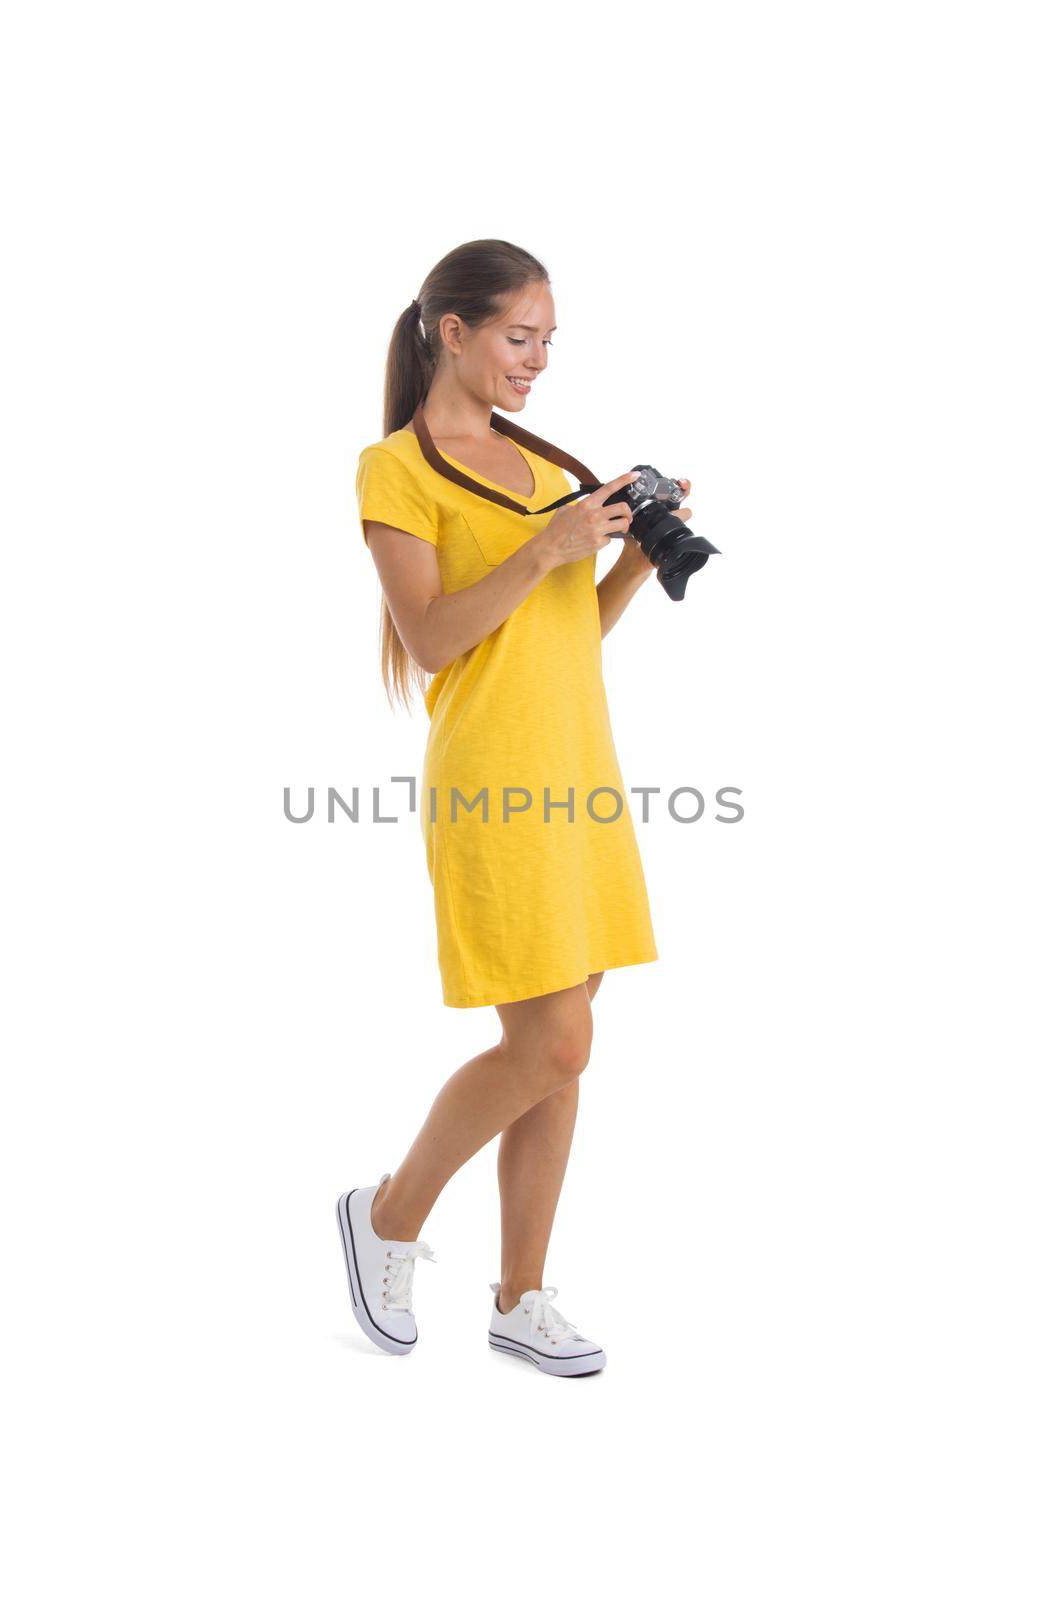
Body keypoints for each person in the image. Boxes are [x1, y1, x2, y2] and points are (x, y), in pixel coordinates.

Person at [338, 239, 693, 1377]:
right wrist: (547, 547)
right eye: (517, 337)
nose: (535, 362)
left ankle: (519, 1296)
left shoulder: (540, 461)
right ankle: (385, 1215)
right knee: (552, 1038)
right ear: (452, 330)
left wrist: (629, 559)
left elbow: (564, 638)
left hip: (578, 772)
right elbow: (435, 641)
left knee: (556, 1053)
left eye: (547, 342)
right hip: (492, 781)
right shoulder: (394, 468)